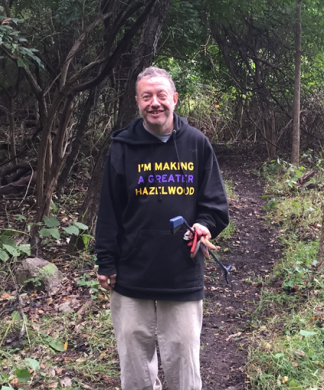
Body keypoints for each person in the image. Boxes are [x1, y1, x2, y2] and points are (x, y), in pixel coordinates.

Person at [95, 66, 230, 390]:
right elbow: (109, 210)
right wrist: (106, 261)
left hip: (181, 273)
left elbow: (215, 205)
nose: (154, 103)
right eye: (146, 96)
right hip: (131, 275)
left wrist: (204, 224)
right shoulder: (122, 147)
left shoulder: (197, 144)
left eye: (161, 95)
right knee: (135, 371)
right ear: (138, 102)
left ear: (174, 99)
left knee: (184, 370)